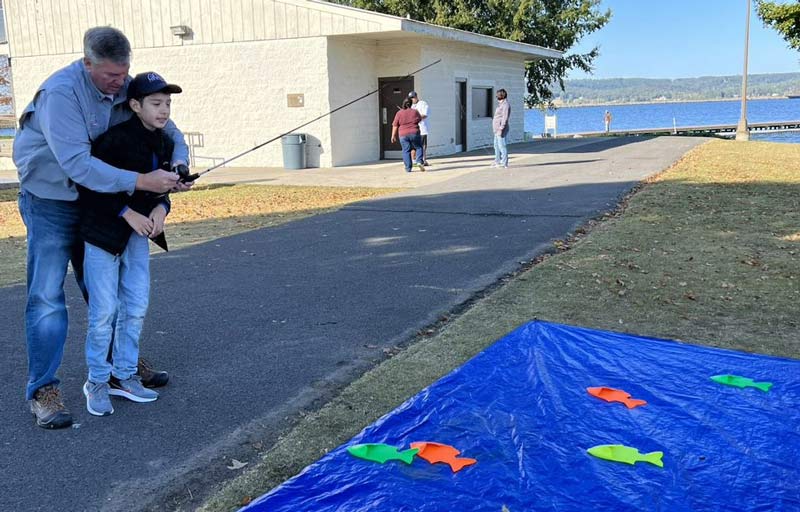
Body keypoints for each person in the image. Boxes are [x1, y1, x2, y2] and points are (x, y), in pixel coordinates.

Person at [13, 26, 192, 429]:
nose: (119, 83)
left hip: (103, 201)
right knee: (46, 297)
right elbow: (78, 165)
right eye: (110, 75)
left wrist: (177, 166)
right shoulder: (61, 94)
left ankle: (118, 366)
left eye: (123, 73)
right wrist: (144, 182)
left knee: (105, 290)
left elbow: (171, 133)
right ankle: (43, 390)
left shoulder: (128, 87)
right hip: (52, 199)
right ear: (87, 62)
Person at [79, 72, 182, 416]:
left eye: (167, 103)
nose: (164, 110)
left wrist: (160, 209)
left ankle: (124, 376)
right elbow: (89, 188)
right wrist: (126, 212)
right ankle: (96, 380)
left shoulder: (165, 143)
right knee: (104, 312)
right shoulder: (112, 141)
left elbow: (161, 191)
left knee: (136, 307)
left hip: (138, 238)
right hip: (102, 238)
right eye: (156, 103)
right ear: (135, 105)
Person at [391, 98, 426, 172]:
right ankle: (419, 161)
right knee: (419, 147)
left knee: (406, 150)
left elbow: (395, 125)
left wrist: (393, 136)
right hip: (414, 133)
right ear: (411, 104)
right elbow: (419, 119)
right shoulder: (415, 112)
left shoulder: (399, 113)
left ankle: (408, 168)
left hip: (403, 134)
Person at [408, 91, 430, 166]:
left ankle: (423, 160)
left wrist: (415, 119)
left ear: (416, 97)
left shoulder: (423, 103)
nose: (412, 99)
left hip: (422, 129)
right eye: (410, 98)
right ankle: (413, 160)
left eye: (413, 97)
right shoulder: (409, 105)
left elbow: (424, 115)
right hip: (412, 129)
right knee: (413, 146)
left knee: (422, 145)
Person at [492, 89, 510, 169]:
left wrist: (501, 129)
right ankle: (497, 161)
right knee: (496, 146)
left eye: (497, 95)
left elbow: (505, 118)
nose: (496, 97)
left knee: (502, 146)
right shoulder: (501, 104)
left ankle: (504, 163)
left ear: (501, 96)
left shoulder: (505, 105)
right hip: (496, 129)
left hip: (501, 129)